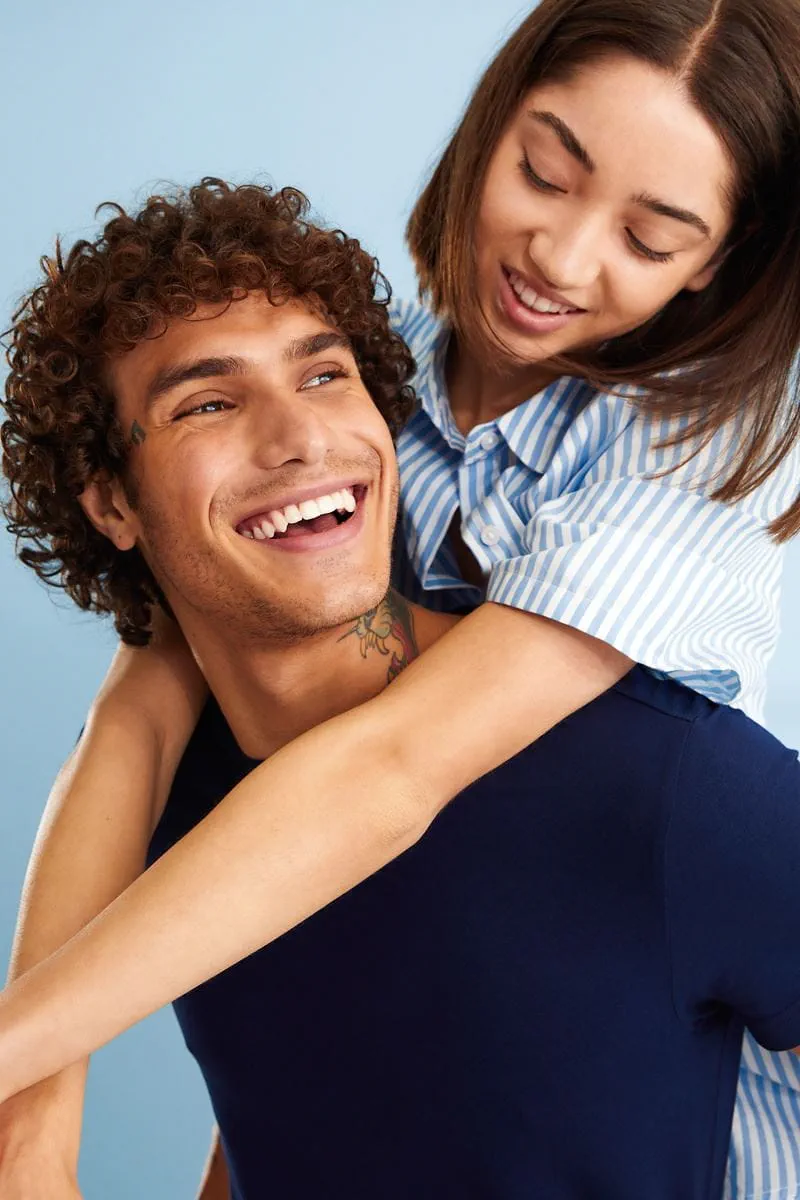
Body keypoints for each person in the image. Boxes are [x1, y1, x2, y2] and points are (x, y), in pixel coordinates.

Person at [3, 0, 800, 1193]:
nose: (559, 259)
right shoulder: (379, 395)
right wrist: (32, 1137)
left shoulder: (686, 502)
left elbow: (389, 778)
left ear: (713, 270)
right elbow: (147, 695)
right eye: (542, 172)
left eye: (648, 237)